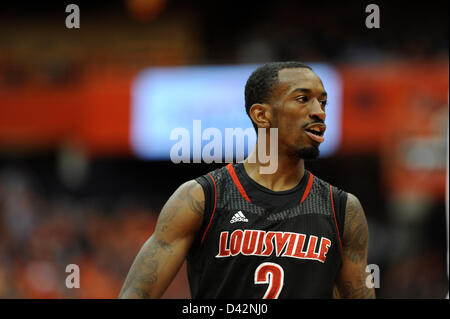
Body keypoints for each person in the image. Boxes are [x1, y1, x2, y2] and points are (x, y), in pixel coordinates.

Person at [119, 62, 375, 299]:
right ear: (262, 115)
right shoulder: (202, 197)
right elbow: (137, 294)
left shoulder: (342, 209)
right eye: (302, 99)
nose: (319, 112)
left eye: (323, 102)